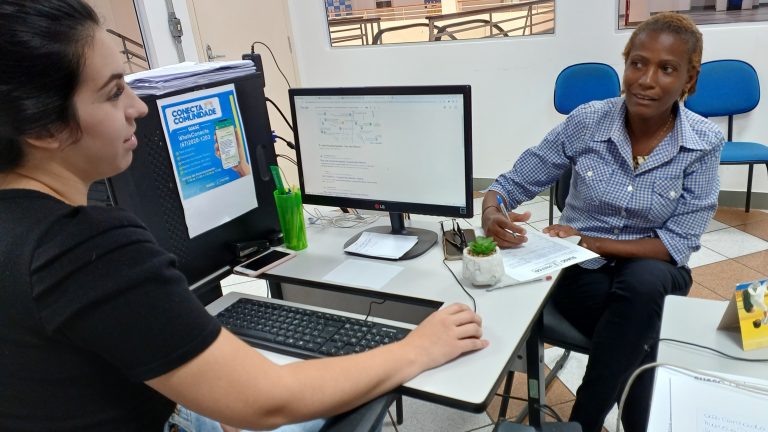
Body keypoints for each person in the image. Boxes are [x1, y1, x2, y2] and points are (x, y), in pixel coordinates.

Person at [0, 1, 488, 430]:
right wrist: (416, 348)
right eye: (112, 93)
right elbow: (268, 401)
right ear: (43, 126)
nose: (138, 108)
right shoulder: (84, 248)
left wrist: (209, 396)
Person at [481, 12, 723, 432]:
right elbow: (513, 182)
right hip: (581, 273)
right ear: (625, 64)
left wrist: (589, 241)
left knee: (645, 282)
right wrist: (492, 210)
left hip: (653, 269)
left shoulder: (703, 143)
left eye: (667, 69)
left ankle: (583, 423)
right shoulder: (588, 120)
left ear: (689, 78)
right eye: (637, 63)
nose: (646, 80)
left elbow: (676, 244)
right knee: (640, 334)